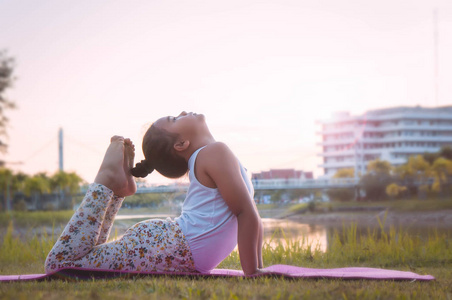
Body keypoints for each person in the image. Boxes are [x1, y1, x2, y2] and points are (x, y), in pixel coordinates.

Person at [45, 111, 264, 275]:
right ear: (180, 144)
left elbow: (250, 215)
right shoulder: (214, 153)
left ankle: (117, 190)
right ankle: (107, 180)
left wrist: (259, 269)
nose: (183, 113)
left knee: (81, 262)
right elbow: (246, 213)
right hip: (168, 245)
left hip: (169, 247)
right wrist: (253, 272)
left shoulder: (216, 155)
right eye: (175, 119)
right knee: (61, 265)